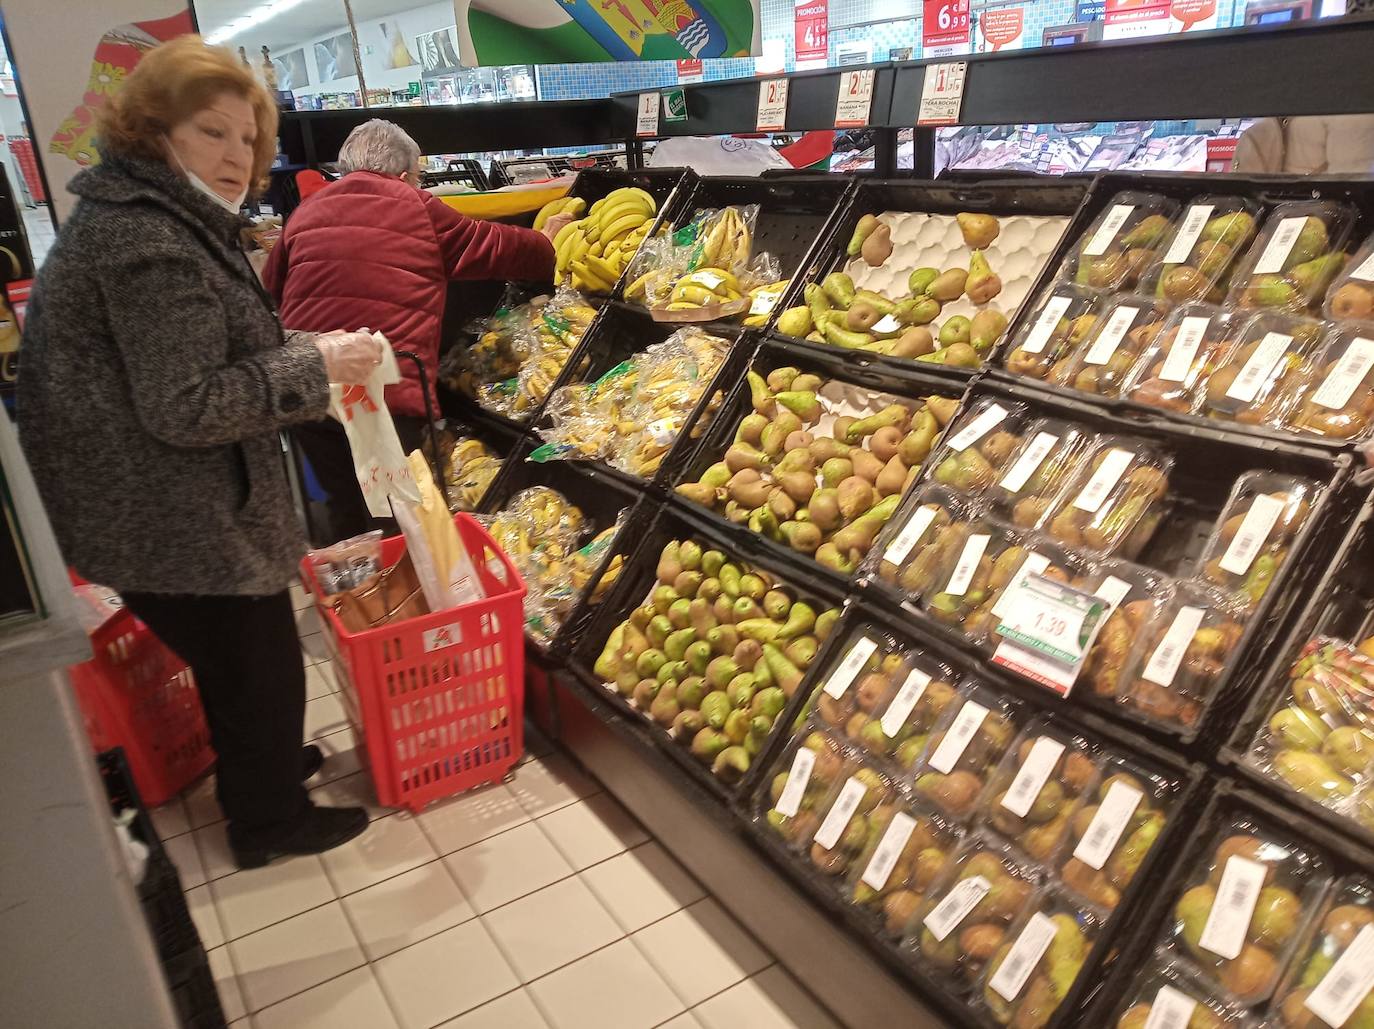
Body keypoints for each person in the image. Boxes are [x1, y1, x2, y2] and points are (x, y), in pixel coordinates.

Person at [18, 36, 378, 868]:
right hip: (165, 505)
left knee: (238, 659)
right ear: (155, 130)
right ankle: (269, 822)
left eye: (247, 137)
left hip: (165, 496)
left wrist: (313, 350)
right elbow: (188, 404)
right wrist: (312, 363)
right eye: (211, 131)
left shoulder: (162, 218)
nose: (235, 154)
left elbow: (220, 346)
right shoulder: (147, 242)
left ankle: (264, 772)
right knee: (258, 661)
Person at [264, 119, 571, 543]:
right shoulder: (415, 205)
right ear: (406, 174)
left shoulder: (305, 212)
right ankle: (406, 595)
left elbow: (269, 294)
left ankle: (355, 596)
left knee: (343, 511)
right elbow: (493, 245)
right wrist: (547, 245)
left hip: (309, 386)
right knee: (395, 512)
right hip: (381, 392)